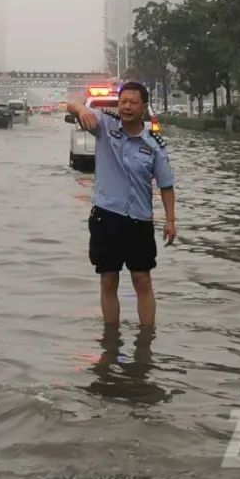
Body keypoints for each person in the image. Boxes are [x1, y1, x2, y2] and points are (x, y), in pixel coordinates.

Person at [67, 81, 176, 327]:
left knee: (142, 280)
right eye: (123, 102)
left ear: (143, 107)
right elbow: (71, 104)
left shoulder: (154, 146)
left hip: (139, 220)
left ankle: (147, 337)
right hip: (106, 217)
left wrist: (170, 220)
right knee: (108, 279)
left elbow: (166, 185)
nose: (126, 107)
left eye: (133, 102)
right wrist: (81, 110)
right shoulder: (105, 126)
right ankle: (111, 337)